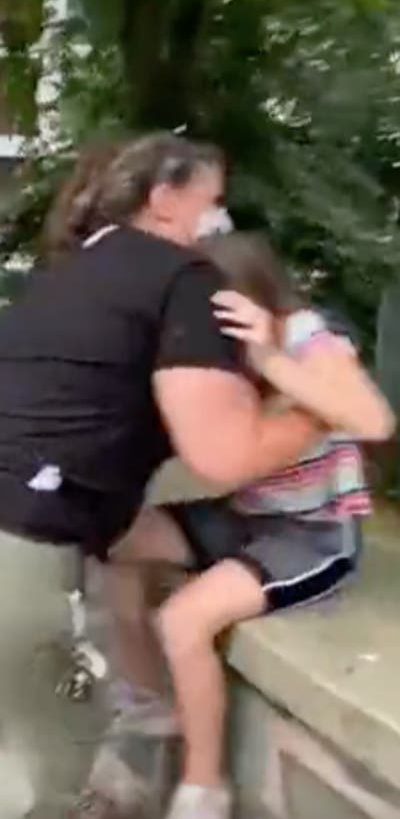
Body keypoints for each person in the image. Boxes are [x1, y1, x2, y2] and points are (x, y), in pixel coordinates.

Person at [0, 133, 333, 819]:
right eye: (213, 199)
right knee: (59, 744)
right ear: (165, 198)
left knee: (26, 727)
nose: (221, 216)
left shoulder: (87, 267)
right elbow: (223, 456)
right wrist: (317, 411)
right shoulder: (185, 279)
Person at [90, 232, 393, 819]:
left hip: (312, 535)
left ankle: (203, 792)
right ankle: (153, 706)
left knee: (182, 620)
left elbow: (375, 421)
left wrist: (267, 358)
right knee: (113, 536)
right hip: (244, 516)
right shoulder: (205, 345)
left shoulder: (307, 336)